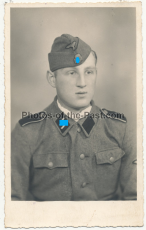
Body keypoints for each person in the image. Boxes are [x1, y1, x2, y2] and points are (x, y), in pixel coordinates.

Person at [11, 34, 137, 201]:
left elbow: (136, 203)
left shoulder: (120, 129)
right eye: (72, 73)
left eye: (89, 72)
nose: (82, 82)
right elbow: (10, 206)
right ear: (52, 79)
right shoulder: (27, 133)